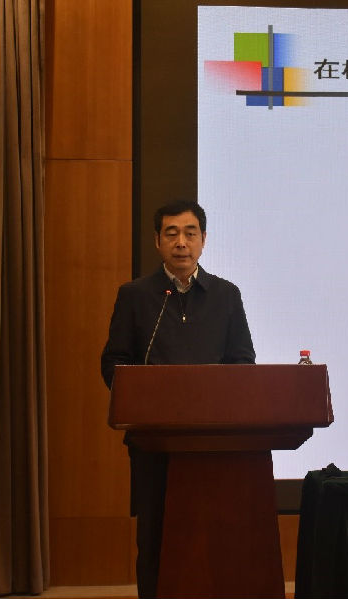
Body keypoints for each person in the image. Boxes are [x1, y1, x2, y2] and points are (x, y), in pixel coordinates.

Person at [100, 200, 255, 598]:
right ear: (158, 241)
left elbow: (242, 361)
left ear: (203, 240)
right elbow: (113, 363)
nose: (181, 242)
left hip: (214, 443)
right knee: (155, 537)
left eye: (190, 233)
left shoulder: (226, 295)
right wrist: (144, 399)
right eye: (171, 234)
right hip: (153, 441)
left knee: (212, 535)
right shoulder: (134, 296)